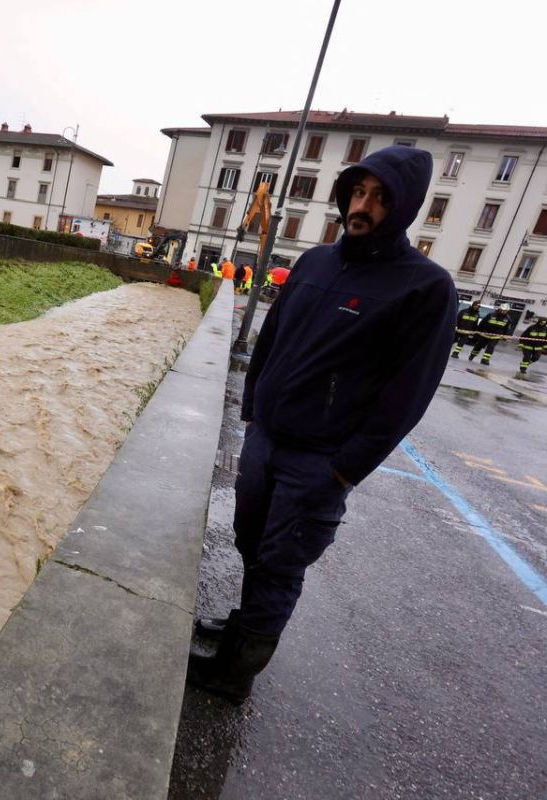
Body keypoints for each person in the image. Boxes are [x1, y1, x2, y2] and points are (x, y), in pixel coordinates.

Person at [187, 145, 456, 703]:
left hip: (319, 461)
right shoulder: (314, 262)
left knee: (283, 563)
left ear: (403, 208)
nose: (363, 206)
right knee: (250, 541)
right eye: (358, 192)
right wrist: (253, 417)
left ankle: (235, 673)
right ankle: (240, 626)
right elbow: (270, 340)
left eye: (381, 198)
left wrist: (343, 470)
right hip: (268, 440)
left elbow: (408, 396)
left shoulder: (424, 287)